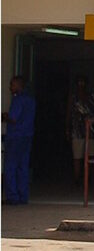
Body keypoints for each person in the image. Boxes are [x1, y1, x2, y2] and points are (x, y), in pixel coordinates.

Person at [2, 76, 36, 205]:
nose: (10, 88)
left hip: (15, 136)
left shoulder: (18, 99)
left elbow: (14, 118)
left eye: (12, 85)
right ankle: (23, 196)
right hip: (27, 136)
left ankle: (13, 196)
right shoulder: (31, 100)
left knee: (10, 166)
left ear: (18, 85)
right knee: (23, 167)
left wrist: (5, 116)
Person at [65, 75, 94, 185]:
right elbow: (69, 113)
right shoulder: (73, 97)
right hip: (77, 130)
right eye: (79, 83)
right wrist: (67, 128)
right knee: (77, 156)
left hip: (91, 130)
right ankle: (77, 179)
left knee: (91, 155)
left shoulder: (92, 97)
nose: (81, 85)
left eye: (83, 82)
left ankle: (90, 179)